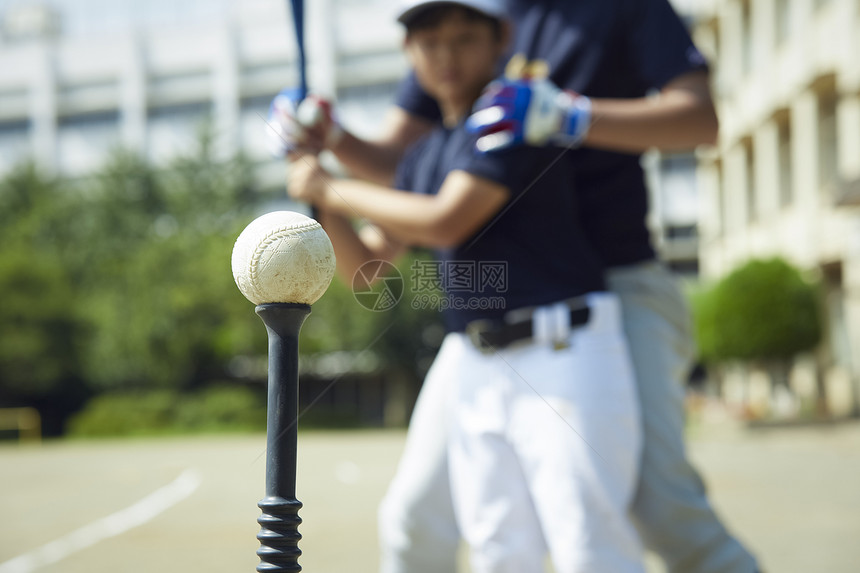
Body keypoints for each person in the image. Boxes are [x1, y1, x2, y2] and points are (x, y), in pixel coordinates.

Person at [271, 0, 760, 571]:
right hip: (481, 338)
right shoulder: (449, 122)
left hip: (592, 306)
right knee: (471, 538)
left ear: (498, 40)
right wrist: (324, 143)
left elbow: (444, 216)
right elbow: (380, 241)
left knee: (632, 520)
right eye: (430, 44)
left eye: (462, 41)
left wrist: (572, 114)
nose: (446, 54)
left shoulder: (518, 105)